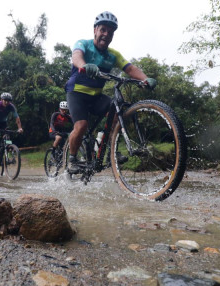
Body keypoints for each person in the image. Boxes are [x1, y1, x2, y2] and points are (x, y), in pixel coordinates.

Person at [64, 11, 157, 173]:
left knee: (116, 112)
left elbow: (130, 68)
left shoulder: (113, 55)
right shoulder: (83, 44)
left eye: (110, 32)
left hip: (96, 96)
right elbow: (76, 57)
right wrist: (84, 66)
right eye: (103, 30)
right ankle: (72, 159)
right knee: (82, 125)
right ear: (95, 30)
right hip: (76, 93)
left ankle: (111, 152)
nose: (106, 34)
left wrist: (145, 79)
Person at [0, 92, 23, 167]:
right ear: (1, 100)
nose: (6, 102)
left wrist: (19, 128)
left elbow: (17, 118)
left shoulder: (11, 107)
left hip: (3, 123)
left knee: (7, 138)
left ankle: (5, 156)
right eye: (5, 100)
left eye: (8, 101)